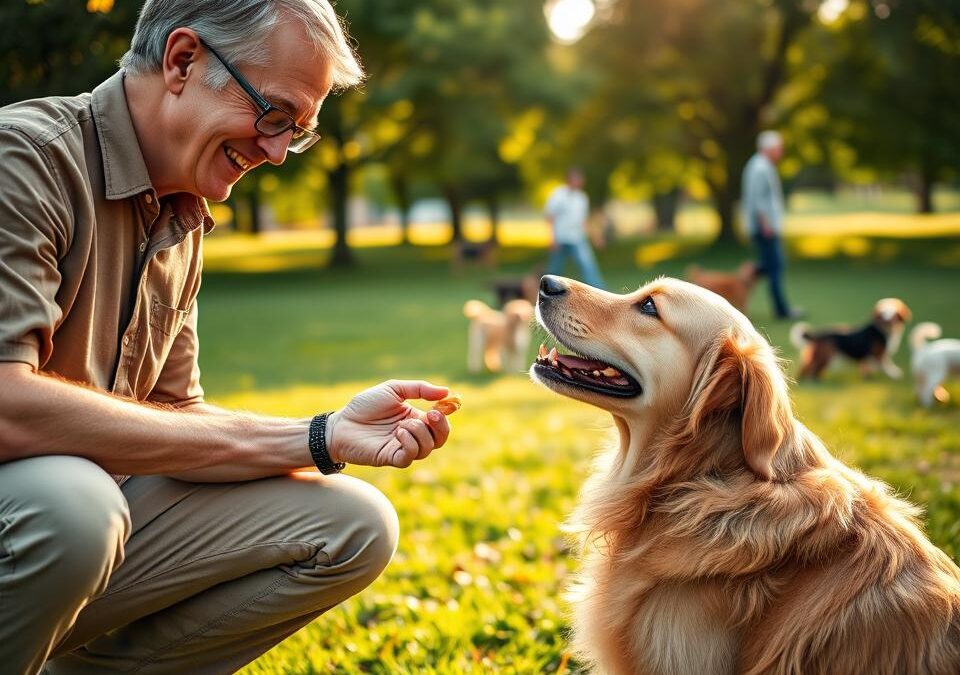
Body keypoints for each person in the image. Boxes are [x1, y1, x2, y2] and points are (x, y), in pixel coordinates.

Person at [0, 2, 454, 673]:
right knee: (74, 506)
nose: (275, 152)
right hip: (56, 520)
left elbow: (175, 418)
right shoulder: (25, 159)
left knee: (353, 526)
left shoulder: (182, 211)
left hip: (67, 537)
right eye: (273, 114)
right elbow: (7, 408)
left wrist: (330, 436)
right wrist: (308, 437)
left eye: (295, 133)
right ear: (183, 60)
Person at [741, 130, 803, 320]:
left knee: (770, 266)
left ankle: (738, 280)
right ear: (769, 148)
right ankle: (781, 310)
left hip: (764, 226)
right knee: (775, 267)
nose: (781, 152)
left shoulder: (759, 165)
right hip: (765, 227)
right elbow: (759, 199)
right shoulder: (760, 167)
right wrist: (766, 224)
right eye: (779, 148)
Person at [544, 167, 606, 289]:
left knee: (588, 266)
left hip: (577, 238)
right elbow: (550, 217)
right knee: (554, 270)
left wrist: (595, 237)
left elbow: (583, 221)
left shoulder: (582, 198)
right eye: (576, 179)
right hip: (560, 238)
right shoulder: (558, 195)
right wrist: (551, 238)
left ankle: (599, 292)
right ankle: (548, 293)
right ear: (569, 180)